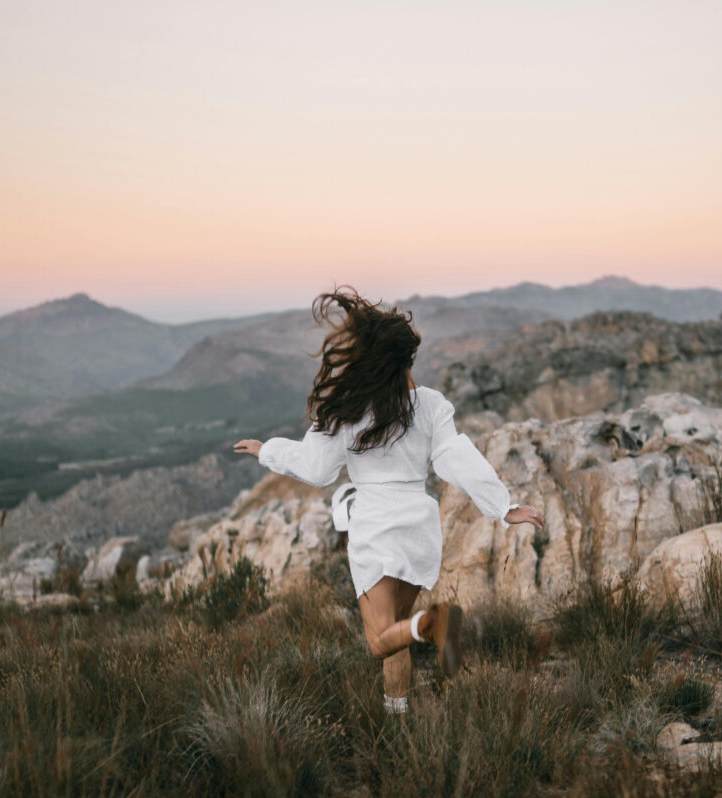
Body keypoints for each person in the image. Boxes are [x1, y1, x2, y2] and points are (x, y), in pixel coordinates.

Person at [233, 286, 544, 715]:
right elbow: (456, 457)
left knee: (380, 643)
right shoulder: (431, 405)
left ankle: (433, 624)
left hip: (377, 529)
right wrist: (502, 507)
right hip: (418, 528)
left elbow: (317, 468)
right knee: (396, 634)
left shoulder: (350, 409)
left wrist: (267, 450)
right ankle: (399, 723)